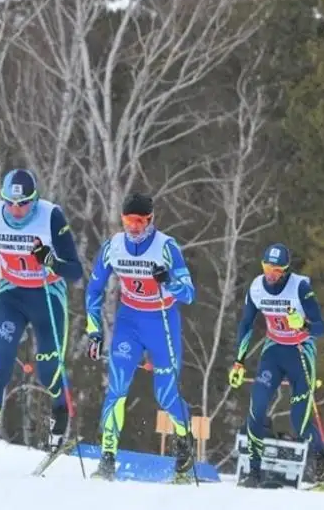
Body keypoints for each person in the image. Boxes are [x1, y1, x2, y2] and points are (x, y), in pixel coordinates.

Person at [0, 169, 83, 474]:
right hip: (11, 295)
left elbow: (75, 271)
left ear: (35, 199)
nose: (17, 210)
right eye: (11, 203)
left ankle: (60, 412)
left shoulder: (51, 217)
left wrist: (51, 261)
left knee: (47, 369)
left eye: (24, 203)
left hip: (47, 296)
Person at [84, 192, 196, 482]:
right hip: (129, 321)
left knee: (165, 394)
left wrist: (168, 281)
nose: (133, 227)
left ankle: (184, 438)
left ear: (150, 220)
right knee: (117, 386)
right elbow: (93, 291)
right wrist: (94, 331)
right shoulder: (113, 247)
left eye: (139, 221)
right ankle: (107, 458)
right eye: (127, 221)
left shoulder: (167, 247)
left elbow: (189, 293)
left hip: (161, 321)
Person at [228, 243, 324, 488]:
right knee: (257, 406)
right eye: (266, 268)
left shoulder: (300, 287)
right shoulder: (256, 288)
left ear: (285, 271)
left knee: (299, 422)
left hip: (300, 352)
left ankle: (320, 456)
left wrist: (302, 325)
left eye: (276, 270)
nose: (270, 275)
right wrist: (239, 362)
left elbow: (321, 328)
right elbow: (246, 324)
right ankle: (253, 471)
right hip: (274, 352)